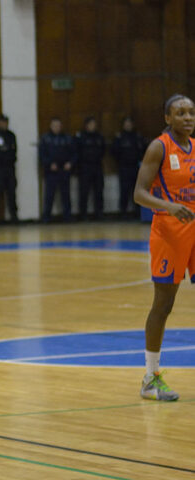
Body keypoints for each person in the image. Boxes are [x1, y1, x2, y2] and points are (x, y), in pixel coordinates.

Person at [133, 94, 195, 402]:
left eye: (191, 112)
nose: (187, 117)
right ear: (167, 118)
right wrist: (169, 207)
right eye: (180, 113)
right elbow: (139, 194)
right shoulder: (159, 146)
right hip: (170, 231)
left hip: (194, 227)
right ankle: (150, 378)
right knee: (164, 305)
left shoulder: (194, 148)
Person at [39, 117, 75, 223]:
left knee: (66, 195)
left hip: (64, 170)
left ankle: (67, 217)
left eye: (58, 126)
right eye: (54, 125)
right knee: (49, 195)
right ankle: (46, 217)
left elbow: (74, 153)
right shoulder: (45, 138)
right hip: (51, 171)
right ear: (51, 126)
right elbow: (42, 155)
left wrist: (70, 163)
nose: (56, 128)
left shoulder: (67, 138)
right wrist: (49, 164)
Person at [111, 116, 148, 219]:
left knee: (137, 190)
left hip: (136, 167)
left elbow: (145, 150)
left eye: (130, 123)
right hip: (124, 168)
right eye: (126, 123)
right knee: (124, 190)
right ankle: (123, 213)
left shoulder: (137, 136)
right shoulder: (119, 137)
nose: (128, 125)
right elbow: (114, 151)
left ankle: (137, 213)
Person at [74, 116, 106, 221]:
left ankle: (99, 213)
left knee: (99, 191)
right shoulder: (80, 136)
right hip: (85, 168)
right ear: (86, 125)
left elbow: (103, 150)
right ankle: (83, 214)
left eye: (94, 124)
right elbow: (76, 152)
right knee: (84, 192)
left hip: (97, 166)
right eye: (91, 124)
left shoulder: (99, 137)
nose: (93, 126)